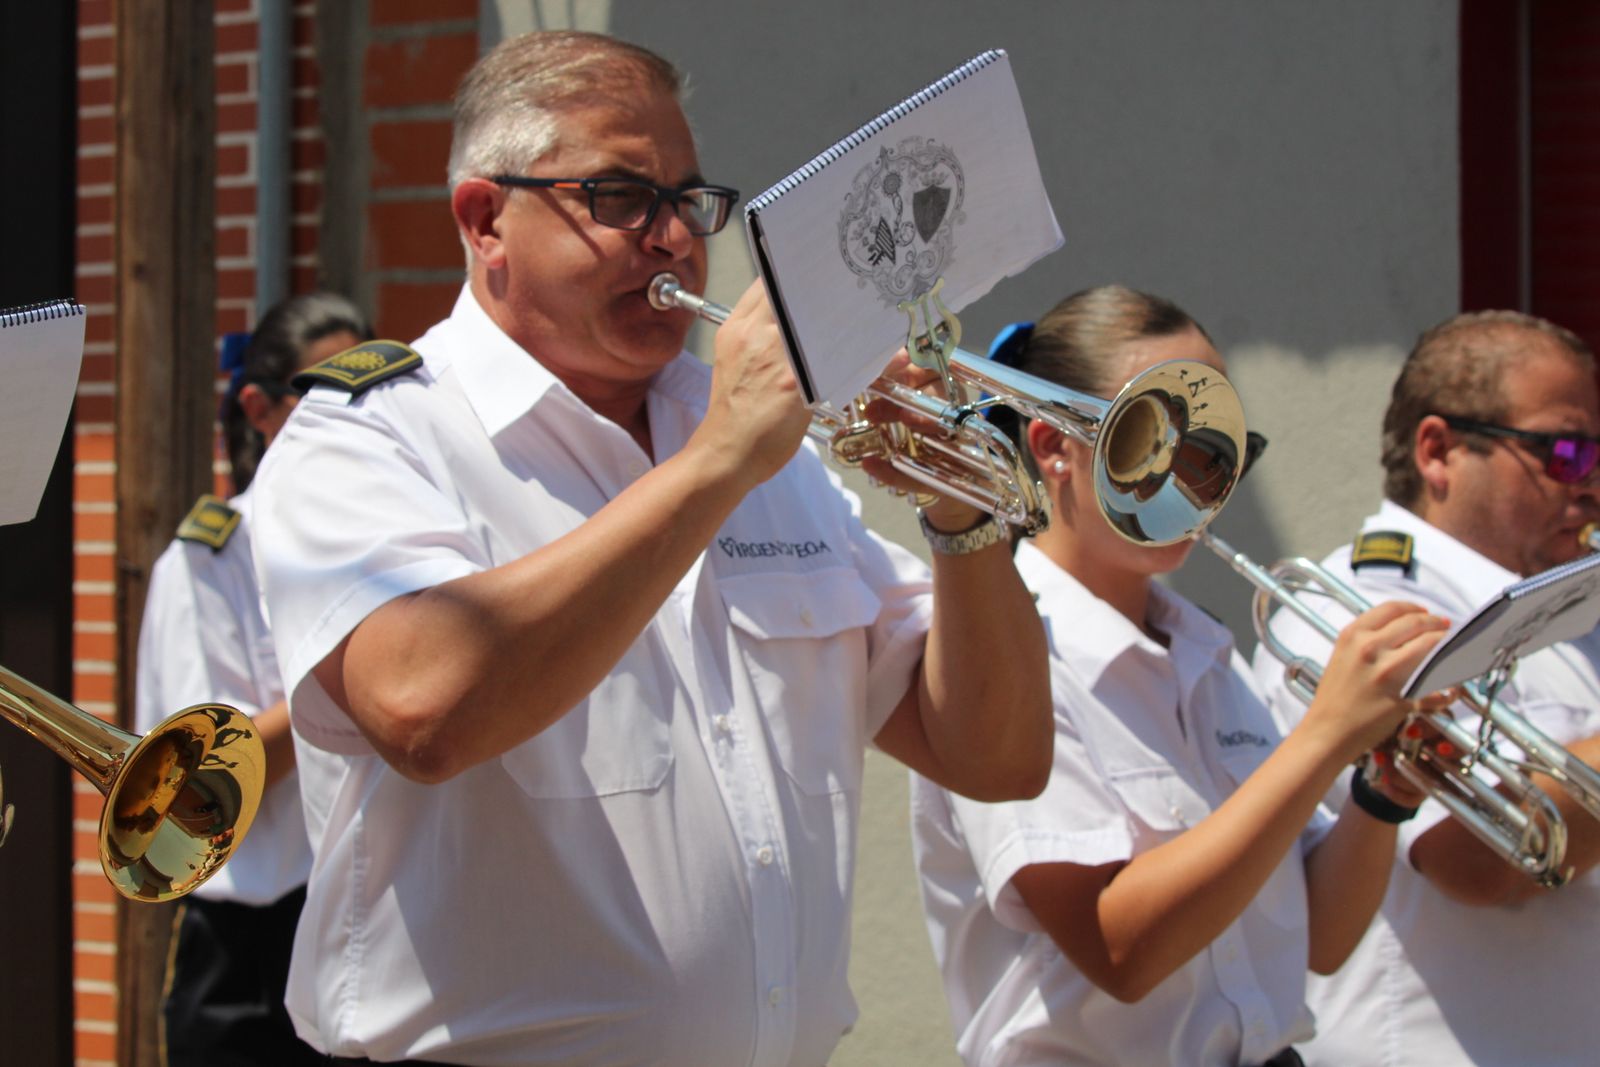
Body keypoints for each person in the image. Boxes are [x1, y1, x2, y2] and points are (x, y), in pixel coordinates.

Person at [249, 30, 1051, 1067]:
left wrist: (960, 510)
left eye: (690, 200)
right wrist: (719, 459)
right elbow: (423, 707)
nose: (674, 237)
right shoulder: (369, 434)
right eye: (622, 197)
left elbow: (994, 754)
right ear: (486, 220)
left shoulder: (771, 454)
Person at [910, 285, 1452, 1067]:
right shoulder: (1003, 659)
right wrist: (1323, 736)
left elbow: (1322, 939)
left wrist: (1380, 789)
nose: (1193, 478)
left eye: (1217, 451)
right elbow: (1119, 948)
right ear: (1053, 445)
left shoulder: (1202, 648)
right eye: (1148, 439)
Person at [1252, 309, 1600, 1067]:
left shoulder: (1574, 614)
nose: (1591, 482)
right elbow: (1478, 861)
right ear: (1439, 451)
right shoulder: (1361, 610)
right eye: (1567, 452)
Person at [137, 292, 373, 1066]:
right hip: (247, 943)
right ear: (258, 408)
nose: (353, 416)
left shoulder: (392, 543)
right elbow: (209, 783)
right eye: (322, 392)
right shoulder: (207, 563)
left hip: (362, 914)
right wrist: (366, 674)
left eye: (366, 391)